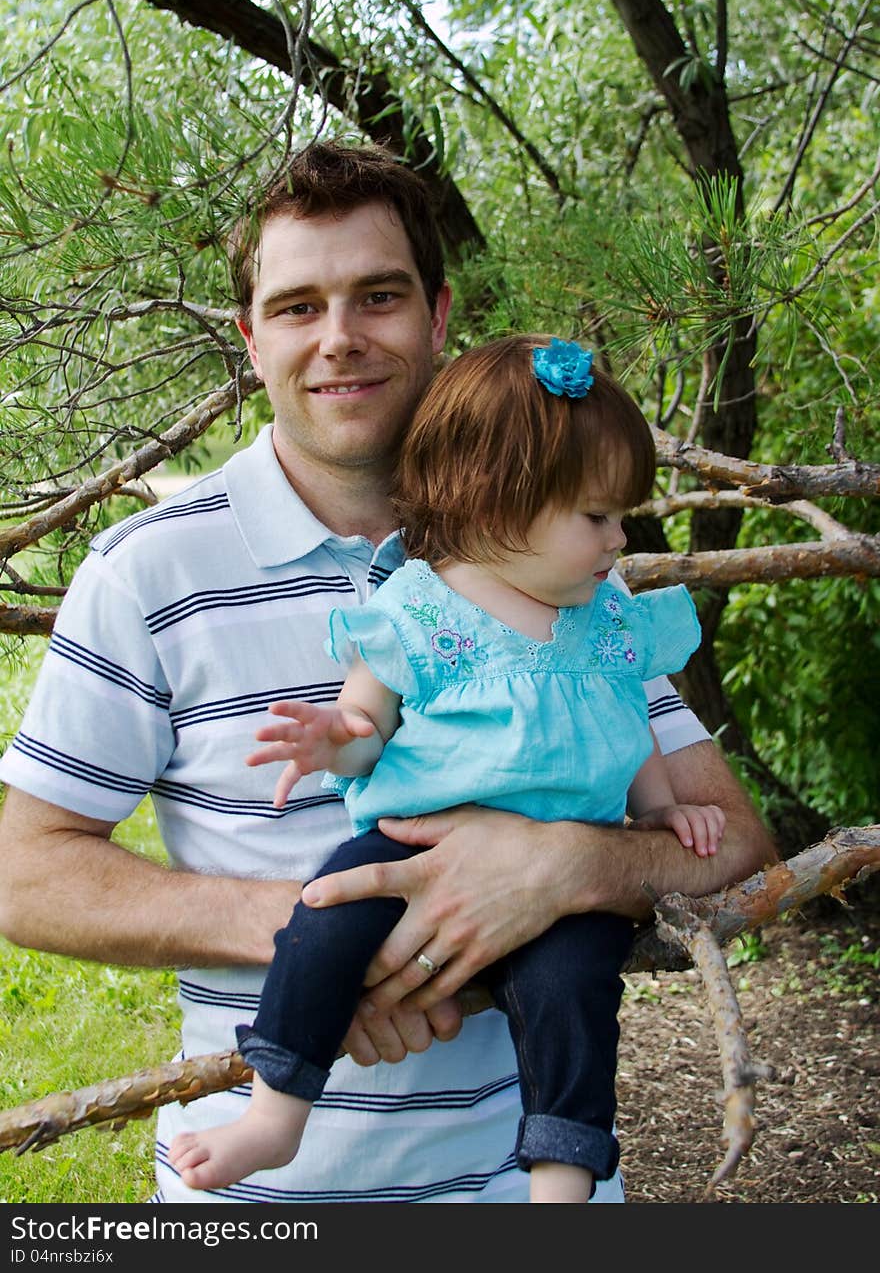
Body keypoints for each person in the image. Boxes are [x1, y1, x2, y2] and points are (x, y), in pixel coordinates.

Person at [0, 140, 776, 1204]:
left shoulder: (552, 560)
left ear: (438, 318)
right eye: (296, 306)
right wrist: (332, 937)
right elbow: (24, 871)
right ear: (249, 337)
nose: (339, 339)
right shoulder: (149, 571)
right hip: (259, 1200)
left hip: (526, 1190)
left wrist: (567, 867)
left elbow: (733, 845)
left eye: (378, 294)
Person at [167, 334, 727, 1201]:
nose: (619, 536)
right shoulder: (422, 607)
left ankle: (561, 1178)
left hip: (567, 871)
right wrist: (329, 741)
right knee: (319, 927)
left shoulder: (604, 611)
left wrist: (660, 812)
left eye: (620, 516)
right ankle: (274, 1112)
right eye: (596, 516)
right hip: (407, 846)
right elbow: (366, 723)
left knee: (574, 997)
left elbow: (628, 723)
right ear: (502, 502)